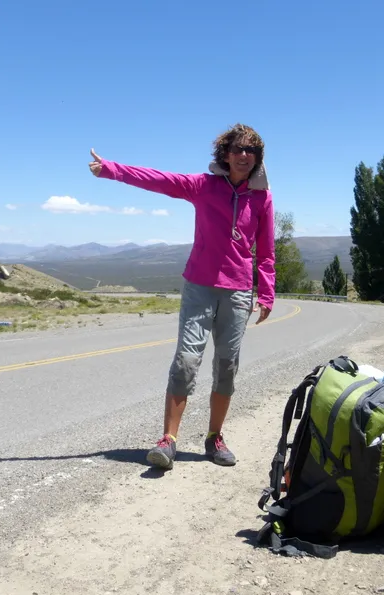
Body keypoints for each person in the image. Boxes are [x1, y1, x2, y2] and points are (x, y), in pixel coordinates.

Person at [88, 123, 276, 469]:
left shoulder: (262, 197)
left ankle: (214, 438)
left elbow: (265, 252)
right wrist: (112, 170)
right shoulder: (204, 186)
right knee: (186, 360)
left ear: (257, 158)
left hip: (236, 292)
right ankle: (169, 439)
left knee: (227, 367)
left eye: (251, 151)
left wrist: (266, 293)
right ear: (225, 154)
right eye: (238, 149)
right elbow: (160, 179)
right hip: (199, 287)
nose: (244, 156)